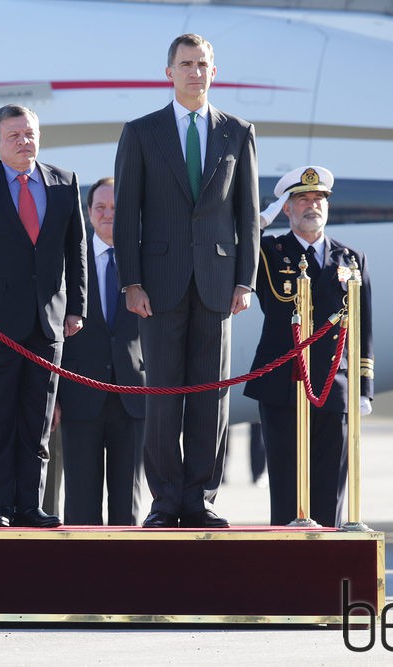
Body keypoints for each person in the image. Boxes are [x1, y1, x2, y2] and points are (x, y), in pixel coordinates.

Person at [113, 33, 259, 529]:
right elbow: (127, 213)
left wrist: (246, 280)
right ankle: (165, 500)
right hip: (158, 285)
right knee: (162, 397)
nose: (195, 72)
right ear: (168, 72)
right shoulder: (141, 131)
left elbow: (248, 215)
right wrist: (130, 282)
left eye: (203, 64)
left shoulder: (237, 132)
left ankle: (201, 496)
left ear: (214, 71)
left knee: (211, 396)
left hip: (218, 285)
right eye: (186, 64)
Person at [0, 104, 87, 528]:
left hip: (49, 321)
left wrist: (77, 307)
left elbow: (76, 249)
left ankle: (31, 503)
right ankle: (1, 504)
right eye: (15, 136)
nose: (25, 142)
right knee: (0, 417)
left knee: (38, 419)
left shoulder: (64, 182)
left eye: (30, 133)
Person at [244, 166, 374, 528]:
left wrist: (363, 387)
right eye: (302, 199)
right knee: (286, 488)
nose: (312, 206)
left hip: (334, 386)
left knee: (331, 486)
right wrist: (262, 218)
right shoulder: (269, 251)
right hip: (284, 383)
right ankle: (285, 572)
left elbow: (363, 327)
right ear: (287, 208)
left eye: (319, 200)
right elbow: (235, 243)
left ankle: (326, 568)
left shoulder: (350, 259)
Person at [57, 177, 145, 525]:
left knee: (129, 504)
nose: (108, 215)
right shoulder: (67, 264)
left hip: (134, 395)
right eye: (100, 208)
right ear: (88, 213)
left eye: (116, 209)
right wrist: (55, 396)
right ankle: (82, 576)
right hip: (80, 396)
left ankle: (129, 576)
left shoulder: (147, 261)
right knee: (80, 502)